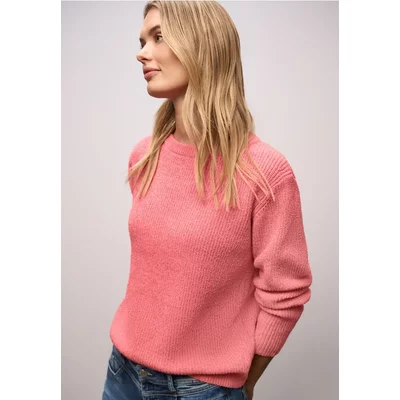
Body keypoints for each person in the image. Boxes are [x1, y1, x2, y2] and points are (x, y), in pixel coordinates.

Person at [102, 1, 313, 399]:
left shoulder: (264, 172)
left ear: (202, 44)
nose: (142, 53)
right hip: (123, 373)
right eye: (142, 41)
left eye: (158, 37)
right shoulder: (145, 156)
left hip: (201, 390)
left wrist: (244, 381)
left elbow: (286, 291)